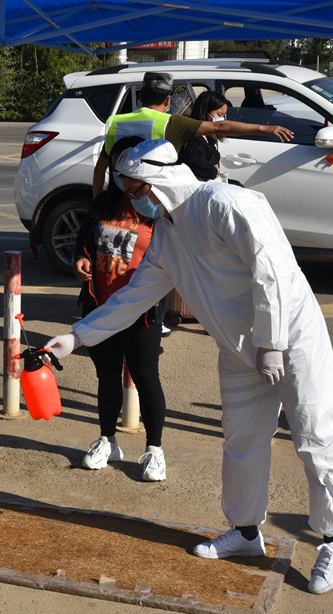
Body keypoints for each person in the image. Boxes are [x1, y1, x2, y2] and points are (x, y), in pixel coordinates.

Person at [45, 138, 333, 595]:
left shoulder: (228, 204)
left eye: (137, 190)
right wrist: (78, 336)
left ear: (161, 181)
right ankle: (245, 532)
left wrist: (272, 342)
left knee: (316, 437)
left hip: (291, 338)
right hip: (238, 348)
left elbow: (270, 270)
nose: (133, 201)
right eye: (127, 191)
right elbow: (133, 298)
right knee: (242, 440)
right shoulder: (167, 237)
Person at [73, 135, 168, 481]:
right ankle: (107, 441)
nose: (122, 174)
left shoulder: (158, 207)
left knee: (146, 378)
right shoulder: (104, 202)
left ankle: (154, 450)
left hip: (142, 311)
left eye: (129, 167)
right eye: (117, 166)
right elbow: (84, 240)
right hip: (100, 306)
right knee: (107, 377)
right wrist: (81, 259)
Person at [90, 72, 294, 198]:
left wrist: (98, 202)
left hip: (120, 201)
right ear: (168, 101)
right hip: (154, 202)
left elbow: (100, 169)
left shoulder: (114, 122)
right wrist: (264, 129)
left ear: (141, 96)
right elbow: (219, 128)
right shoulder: (173, 122)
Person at [177, 90, 238, 183]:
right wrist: (214, 170)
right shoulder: (194, 138)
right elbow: (196, 164)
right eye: (219, 114)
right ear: (205, 112)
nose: (222, 119)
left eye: (224, 116)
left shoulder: (208, 136)